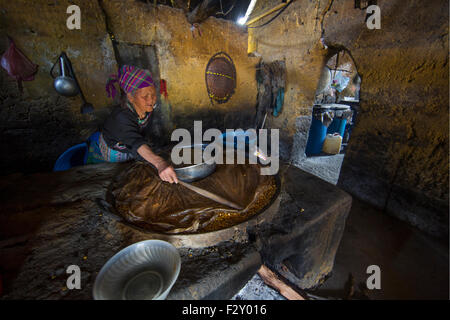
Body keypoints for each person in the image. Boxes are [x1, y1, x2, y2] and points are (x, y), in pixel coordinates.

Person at [100, 65, 178, 184]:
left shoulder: (147, 109)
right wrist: (160, 163)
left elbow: (141, 136)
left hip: (133, 145)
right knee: (123, 176)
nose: (151, 100)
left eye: (153, 94)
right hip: (115, 150)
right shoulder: (121, 117)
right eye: (145, 96)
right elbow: (136, 142)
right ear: (131, 97)